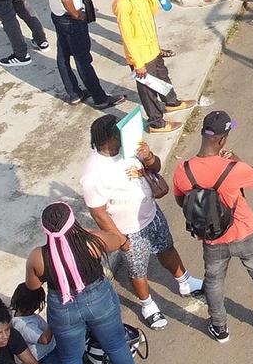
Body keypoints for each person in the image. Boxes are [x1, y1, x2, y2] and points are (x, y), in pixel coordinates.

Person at [172, 111, 253, 343]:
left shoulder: (183, 170)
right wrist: (238, 161)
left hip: (211, 237)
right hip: (244, 232)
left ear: (202, 134)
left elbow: (182, 201)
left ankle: (219, 327)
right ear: (222, 140)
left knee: (214, 280)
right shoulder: (233, 169)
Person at [81, 113, 203, 332]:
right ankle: (148, 305)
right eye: (120, 132)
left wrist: (147, 157)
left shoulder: (130, 149)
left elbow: (155, 167)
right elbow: (99, 213)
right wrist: (120, 239)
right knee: (138, 271)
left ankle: (185, 282)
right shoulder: (93, 173)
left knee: (167, 248)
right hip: (129, 230)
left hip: (152, 215)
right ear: (109, 138)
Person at [22, 202, 147, 364]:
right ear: (74, 223)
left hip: (63, 308)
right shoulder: (92, 242)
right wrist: (90, 231)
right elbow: (118, 239)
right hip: (99, 298)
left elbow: (33, 285)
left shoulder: (37, 257)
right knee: (115, 343)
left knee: (70, 358)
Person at [116, 0, 194, 134]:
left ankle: (171, 103)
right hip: (141, 55)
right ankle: (156, 123)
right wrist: (138, 64)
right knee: (148, 90)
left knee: (162, 76)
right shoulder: (123, 2)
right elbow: (127, 36)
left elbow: (152, 11)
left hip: (152, 47)